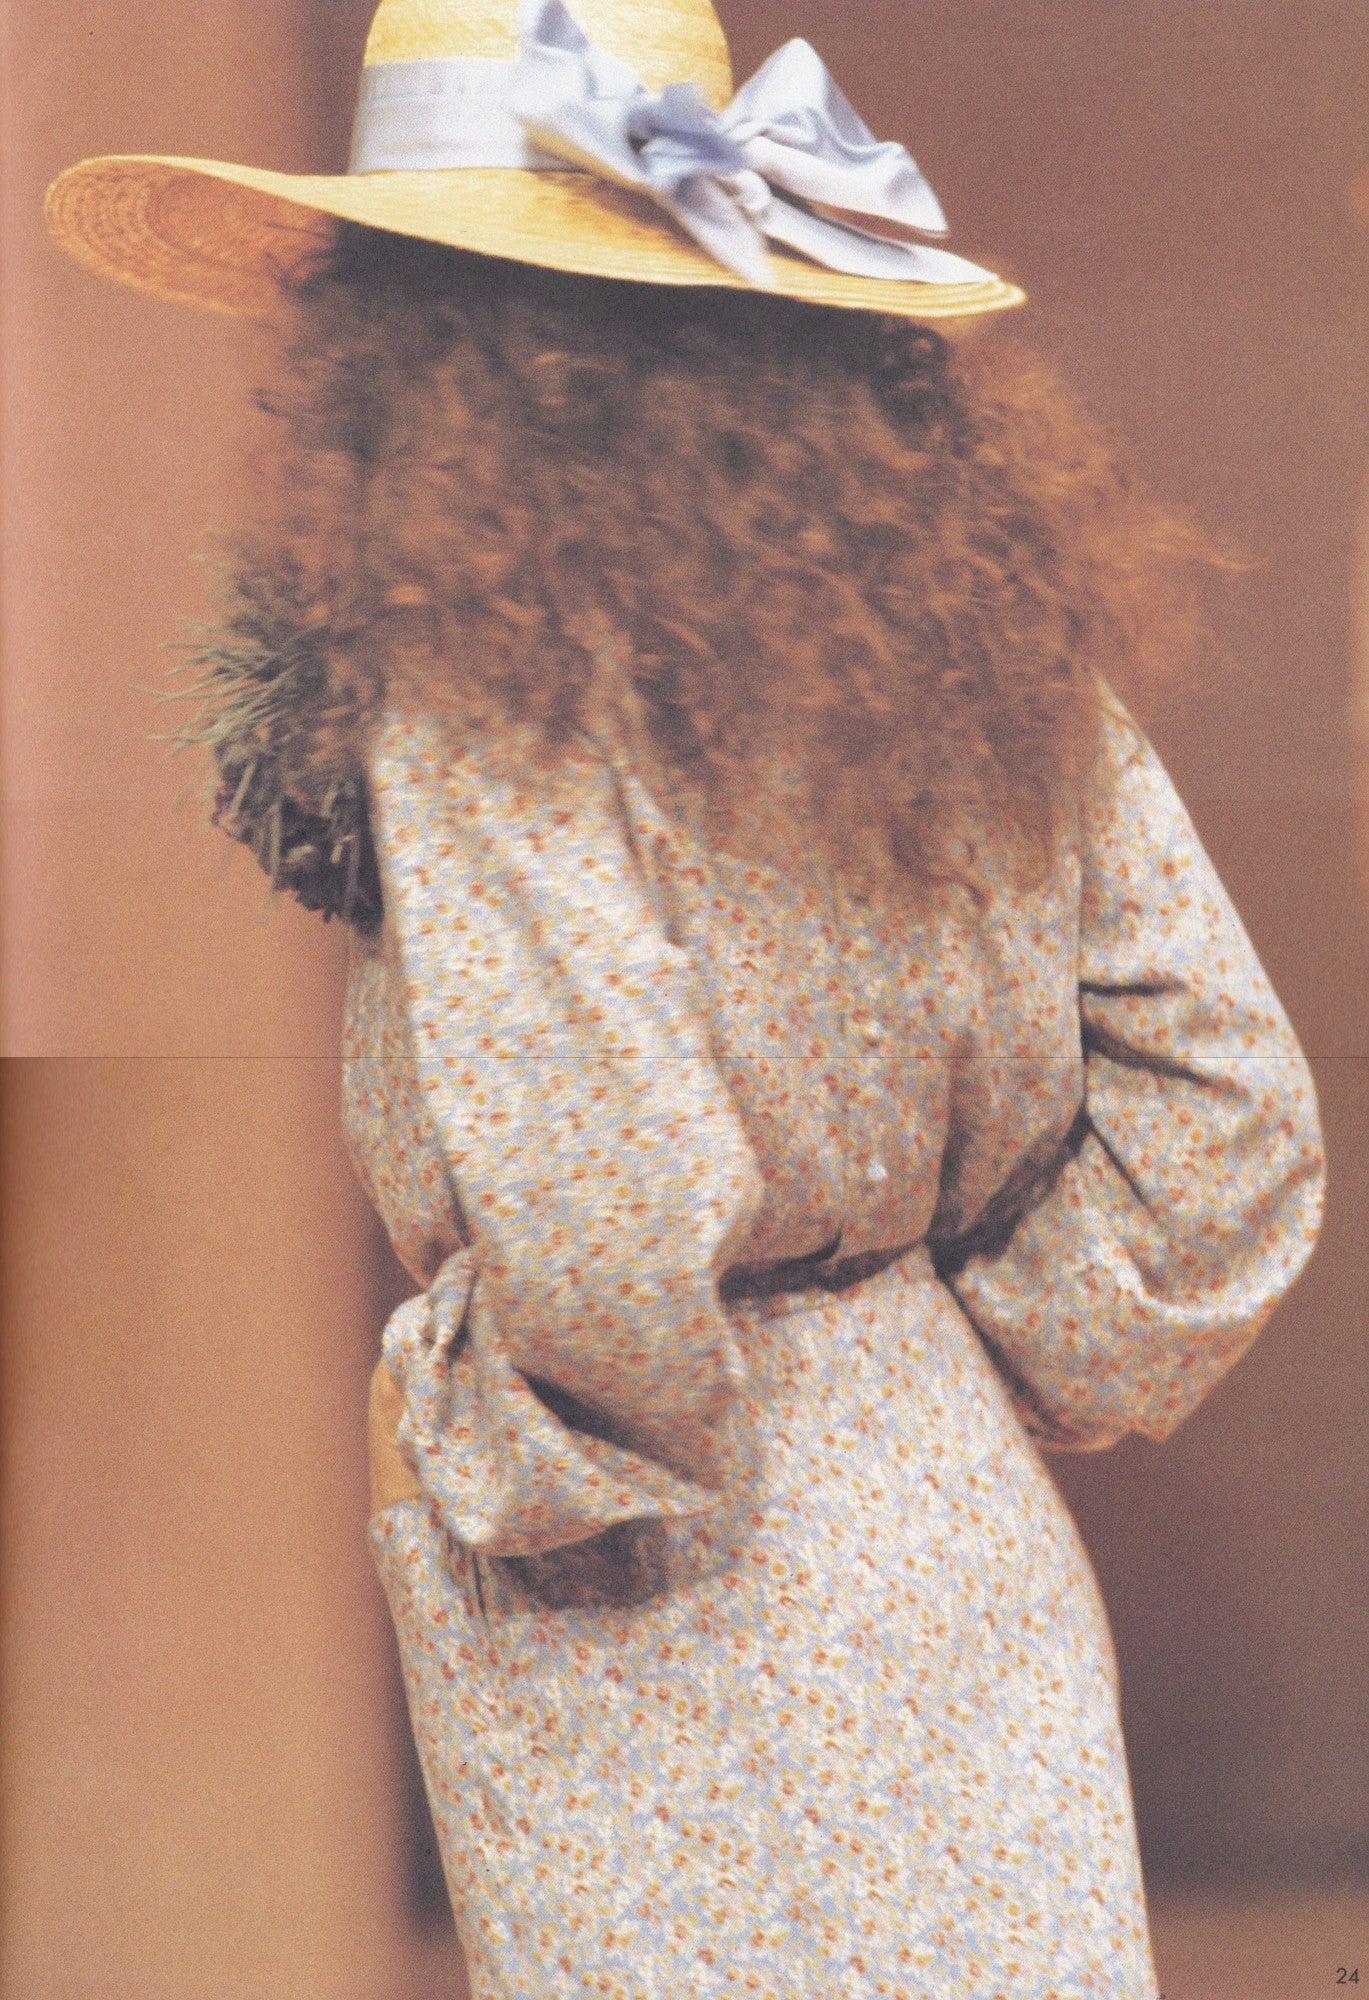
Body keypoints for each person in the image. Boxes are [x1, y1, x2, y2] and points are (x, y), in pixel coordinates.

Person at [46, 0, 1325, 1992]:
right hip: (950, 1514)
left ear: (409, 329)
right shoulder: (970, 623)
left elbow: (605, 1199)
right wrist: (952, 1369)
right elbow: (1223, 1115)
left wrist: (477, 1444)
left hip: (648, 1582)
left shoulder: (484, 675)